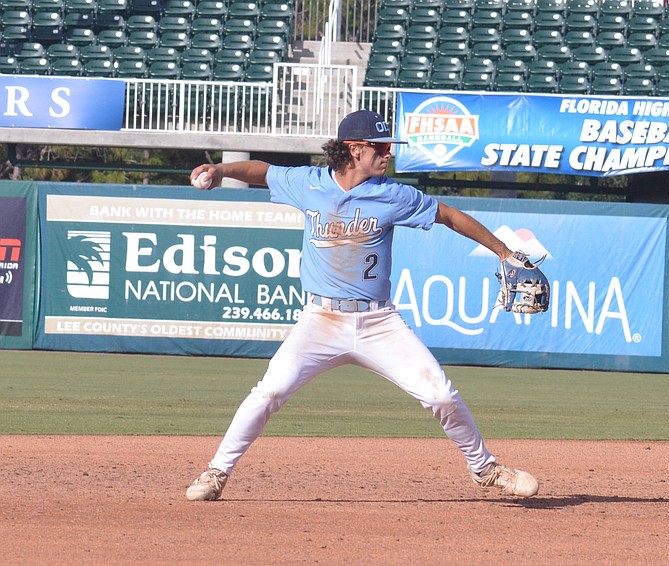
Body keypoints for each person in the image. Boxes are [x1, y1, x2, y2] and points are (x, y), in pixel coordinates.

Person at [185, 109, 539, 501]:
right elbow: (263, 171)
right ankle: (216, 472)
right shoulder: (309, 183)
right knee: (269, 392)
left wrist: (505, 252)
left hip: (378, 322)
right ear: (354, 149)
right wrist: (220, 171)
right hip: (321, 319)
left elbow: (449, 216)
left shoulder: (394, 194)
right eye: (382, 146)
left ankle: (485, 469)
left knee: (440, 395)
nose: (389, 154)